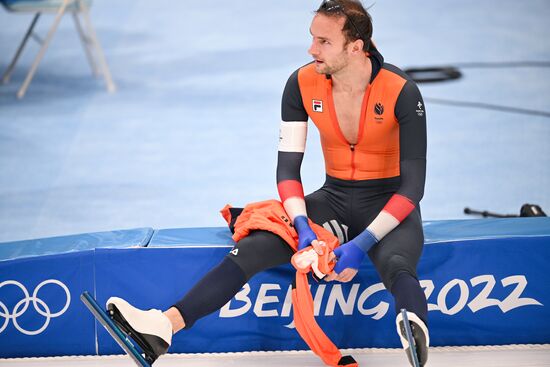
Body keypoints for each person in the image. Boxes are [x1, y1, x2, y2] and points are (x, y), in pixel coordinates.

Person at [106, 0, 429, 366]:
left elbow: (412, 188)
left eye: (323, 41)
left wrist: (362, 244)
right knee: (256, 247)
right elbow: (288, 172)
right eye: (312, 39)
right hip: (333, 199)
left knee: (397, 262)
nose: (311, 49)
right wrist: (303, 225)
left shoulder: (402, 91)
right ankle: (162, 328)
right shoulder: (302, 83)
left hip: (389, 202)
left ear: (356, 47)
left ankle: (415, 332)